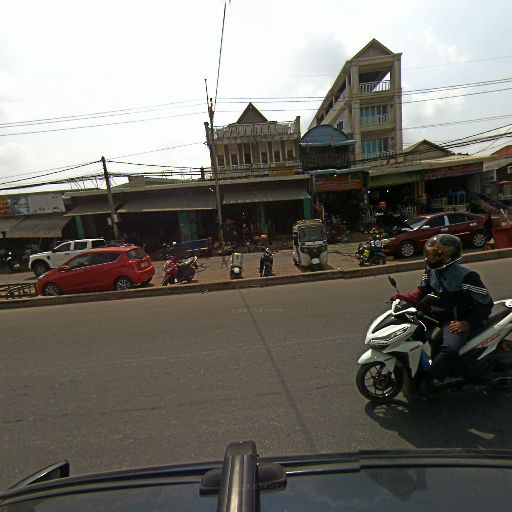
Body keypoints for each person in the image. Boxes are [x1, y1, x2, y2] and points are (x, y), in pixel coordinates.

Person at [395, 234, 493, 396]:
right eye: (429, 253)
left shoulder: (467, 277)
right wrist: (403, 298)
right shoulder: (431, 270)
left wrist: (466, 323)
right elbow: (423, 290)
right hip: (437, 315)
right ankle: (434, 366)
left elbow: (485, 304)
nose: (431, 258)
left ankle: (433, 379)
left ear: (449, 257)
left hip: (457, 319)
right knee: (418, 336)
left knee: (449, 348)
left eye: (436, 255)